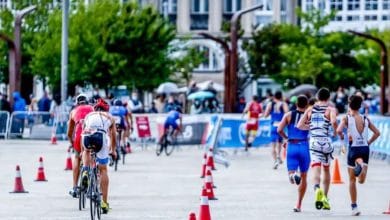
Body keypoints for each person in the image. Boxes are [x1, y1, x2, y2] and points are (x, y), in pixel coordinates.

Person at [336, 95, 380, 216]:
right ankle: (360, 163)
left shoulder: (346, 118)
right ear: (360, 106)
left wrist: (341, 137)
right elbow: (377, 133)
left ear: (349, 105)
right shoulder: (365, 118)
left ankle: (354, 207)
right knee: (361, 180)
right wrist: (368, 142)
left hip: (353, 149)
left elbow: (339, 131)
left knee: (352, 180)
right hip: (365, 149)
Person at [297, 88, 338, 211]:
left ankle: (316, 188)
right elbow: (334, 122)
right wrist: (335, 131)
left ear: (317, 97)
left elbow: (299, 125)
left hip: (314, 141)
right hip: (326, 141)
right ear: (328, 98)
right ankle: (325, 198)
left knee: (316, 168)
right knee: (326, 170)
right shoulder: (330, 109)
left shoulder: (310, 109)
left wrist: (310, 127)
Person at [81, 98, 116, 214]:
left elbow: (83, 130)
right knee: (103, 169)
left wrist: (83, 150)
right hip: (100, 137)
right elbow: (113, 135)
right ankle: (104, 203)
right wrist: (113, 150)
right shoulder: (110, 117)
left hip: (87, 136)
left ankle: (85, 171)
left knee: (86, 151)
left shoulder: (89, 115)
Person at [277, 95, 310, 212]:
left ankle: (292, 175)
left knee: (292, 178)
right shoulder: (309, 116)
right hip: (304, 146)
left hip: (292, 146)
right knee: (304, 177)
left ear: (296, 104)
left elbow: (279, 130)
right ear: (306, 105)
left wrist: (286, 138)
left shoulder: (289, 115)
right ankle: (298, 205)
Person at [67, 94, 94, 198]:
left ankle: (74, 187)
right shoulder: (92, 109)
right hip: (90, 134)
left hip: (78, 135)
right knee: (91, 155)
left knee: (77, 158)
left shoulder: (73, 111)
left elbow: (69, 132)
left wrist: (71, 142)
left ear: (77, 103)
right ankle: (92, 183)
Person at [264, 91, 289, 169]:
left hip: (273, 125)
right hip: (281, 125)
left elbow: (266, 115)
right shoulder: (283, 104)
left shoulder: (270, 104)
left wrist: (271, 113)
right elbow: (287, 113)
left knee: (273, 145)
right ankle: (279, 156)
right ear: (281, 96)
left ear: (274, 97)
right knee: (279, 143)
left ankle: (275, 161)